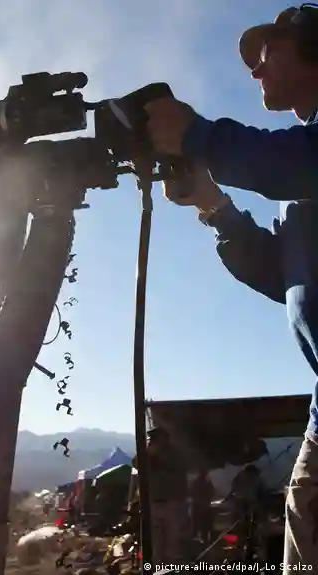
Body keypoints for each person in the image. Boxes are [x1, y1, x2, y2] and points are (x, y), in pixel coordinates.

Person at [143, 5, 318, 570]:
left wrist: (196, 135)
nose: (255, 71)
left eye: (266, 53)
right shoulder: (304, 186)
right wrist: (213, 205)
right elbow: (280, 275)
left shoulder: (303, 162)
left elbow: (285, 163)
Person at [132, 427, 189, 564]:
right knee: (155, 541)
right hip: (153, 502)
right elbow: (135, 462)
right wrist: (148, 452)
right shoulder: (148, 455)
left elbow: (178, 468)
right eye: (152, 440)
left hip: (171, 502)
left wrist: (158, 455)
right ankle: (157, 565)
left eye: (156, 439)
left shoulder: (174, 455)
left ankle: (171, 566)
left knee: (172, 540)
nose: (153, 442)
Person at [189, 467, 215, 543]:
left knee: (203, 526)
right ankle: (200, 540)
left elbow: (211, 493)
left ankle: (202, 540)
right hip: (200, 506)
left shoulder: (202, 482)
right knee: (200, 526)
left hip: (202, 507)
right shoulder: (199, 483)